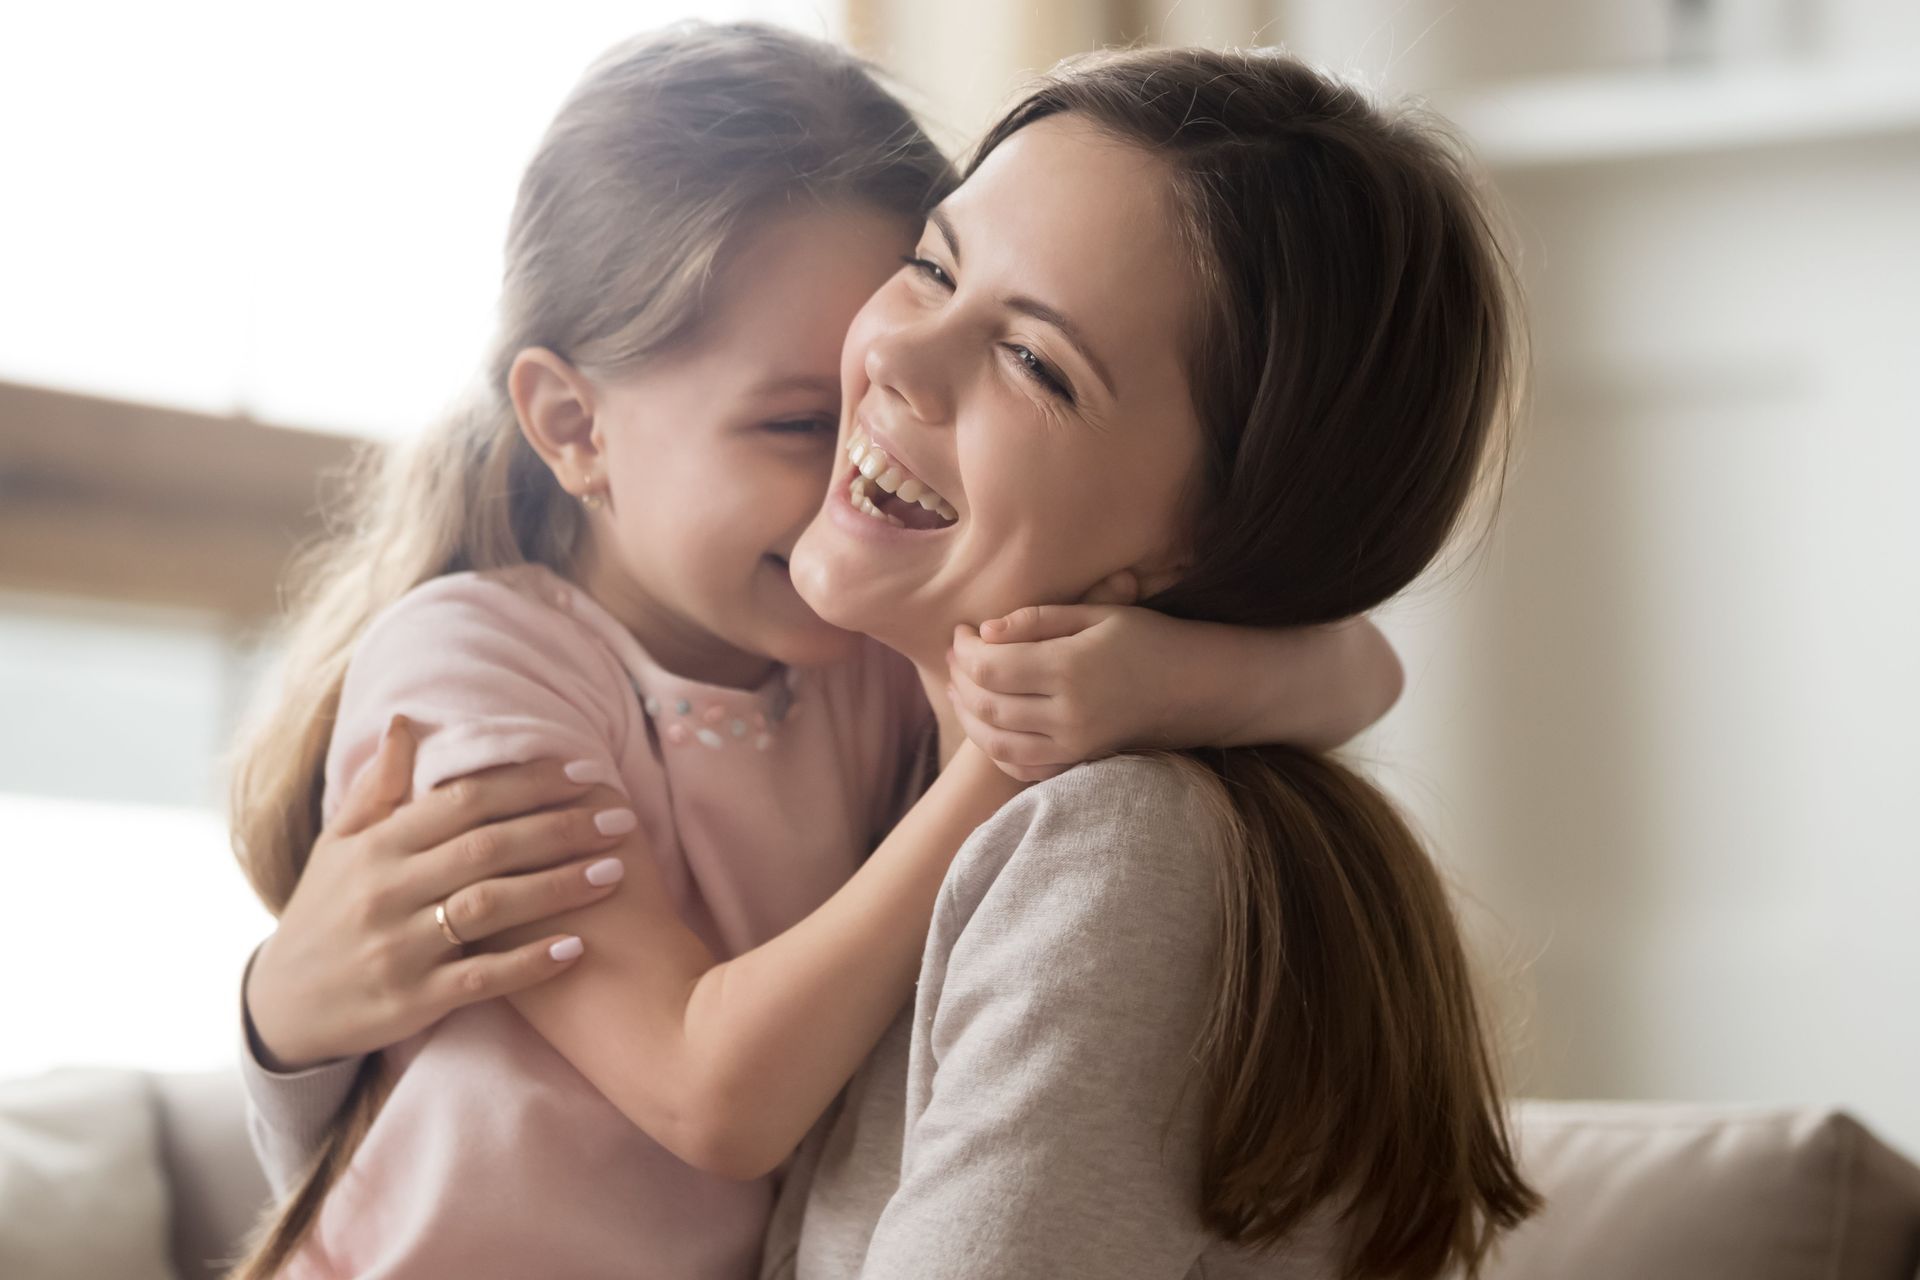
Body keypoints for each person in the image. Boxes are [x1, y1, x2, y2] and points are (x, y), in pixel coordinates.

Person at [227, 25, 1407, 1280]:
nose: (860, 438)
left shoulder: (851, 656)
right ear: (574, 426)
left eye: (1020, 355)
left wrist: (1163, 678)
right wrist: (1006, 760)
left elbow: (1364, 668)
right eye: (797, 420)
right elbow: (710, 1094)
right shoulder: (480, 669)